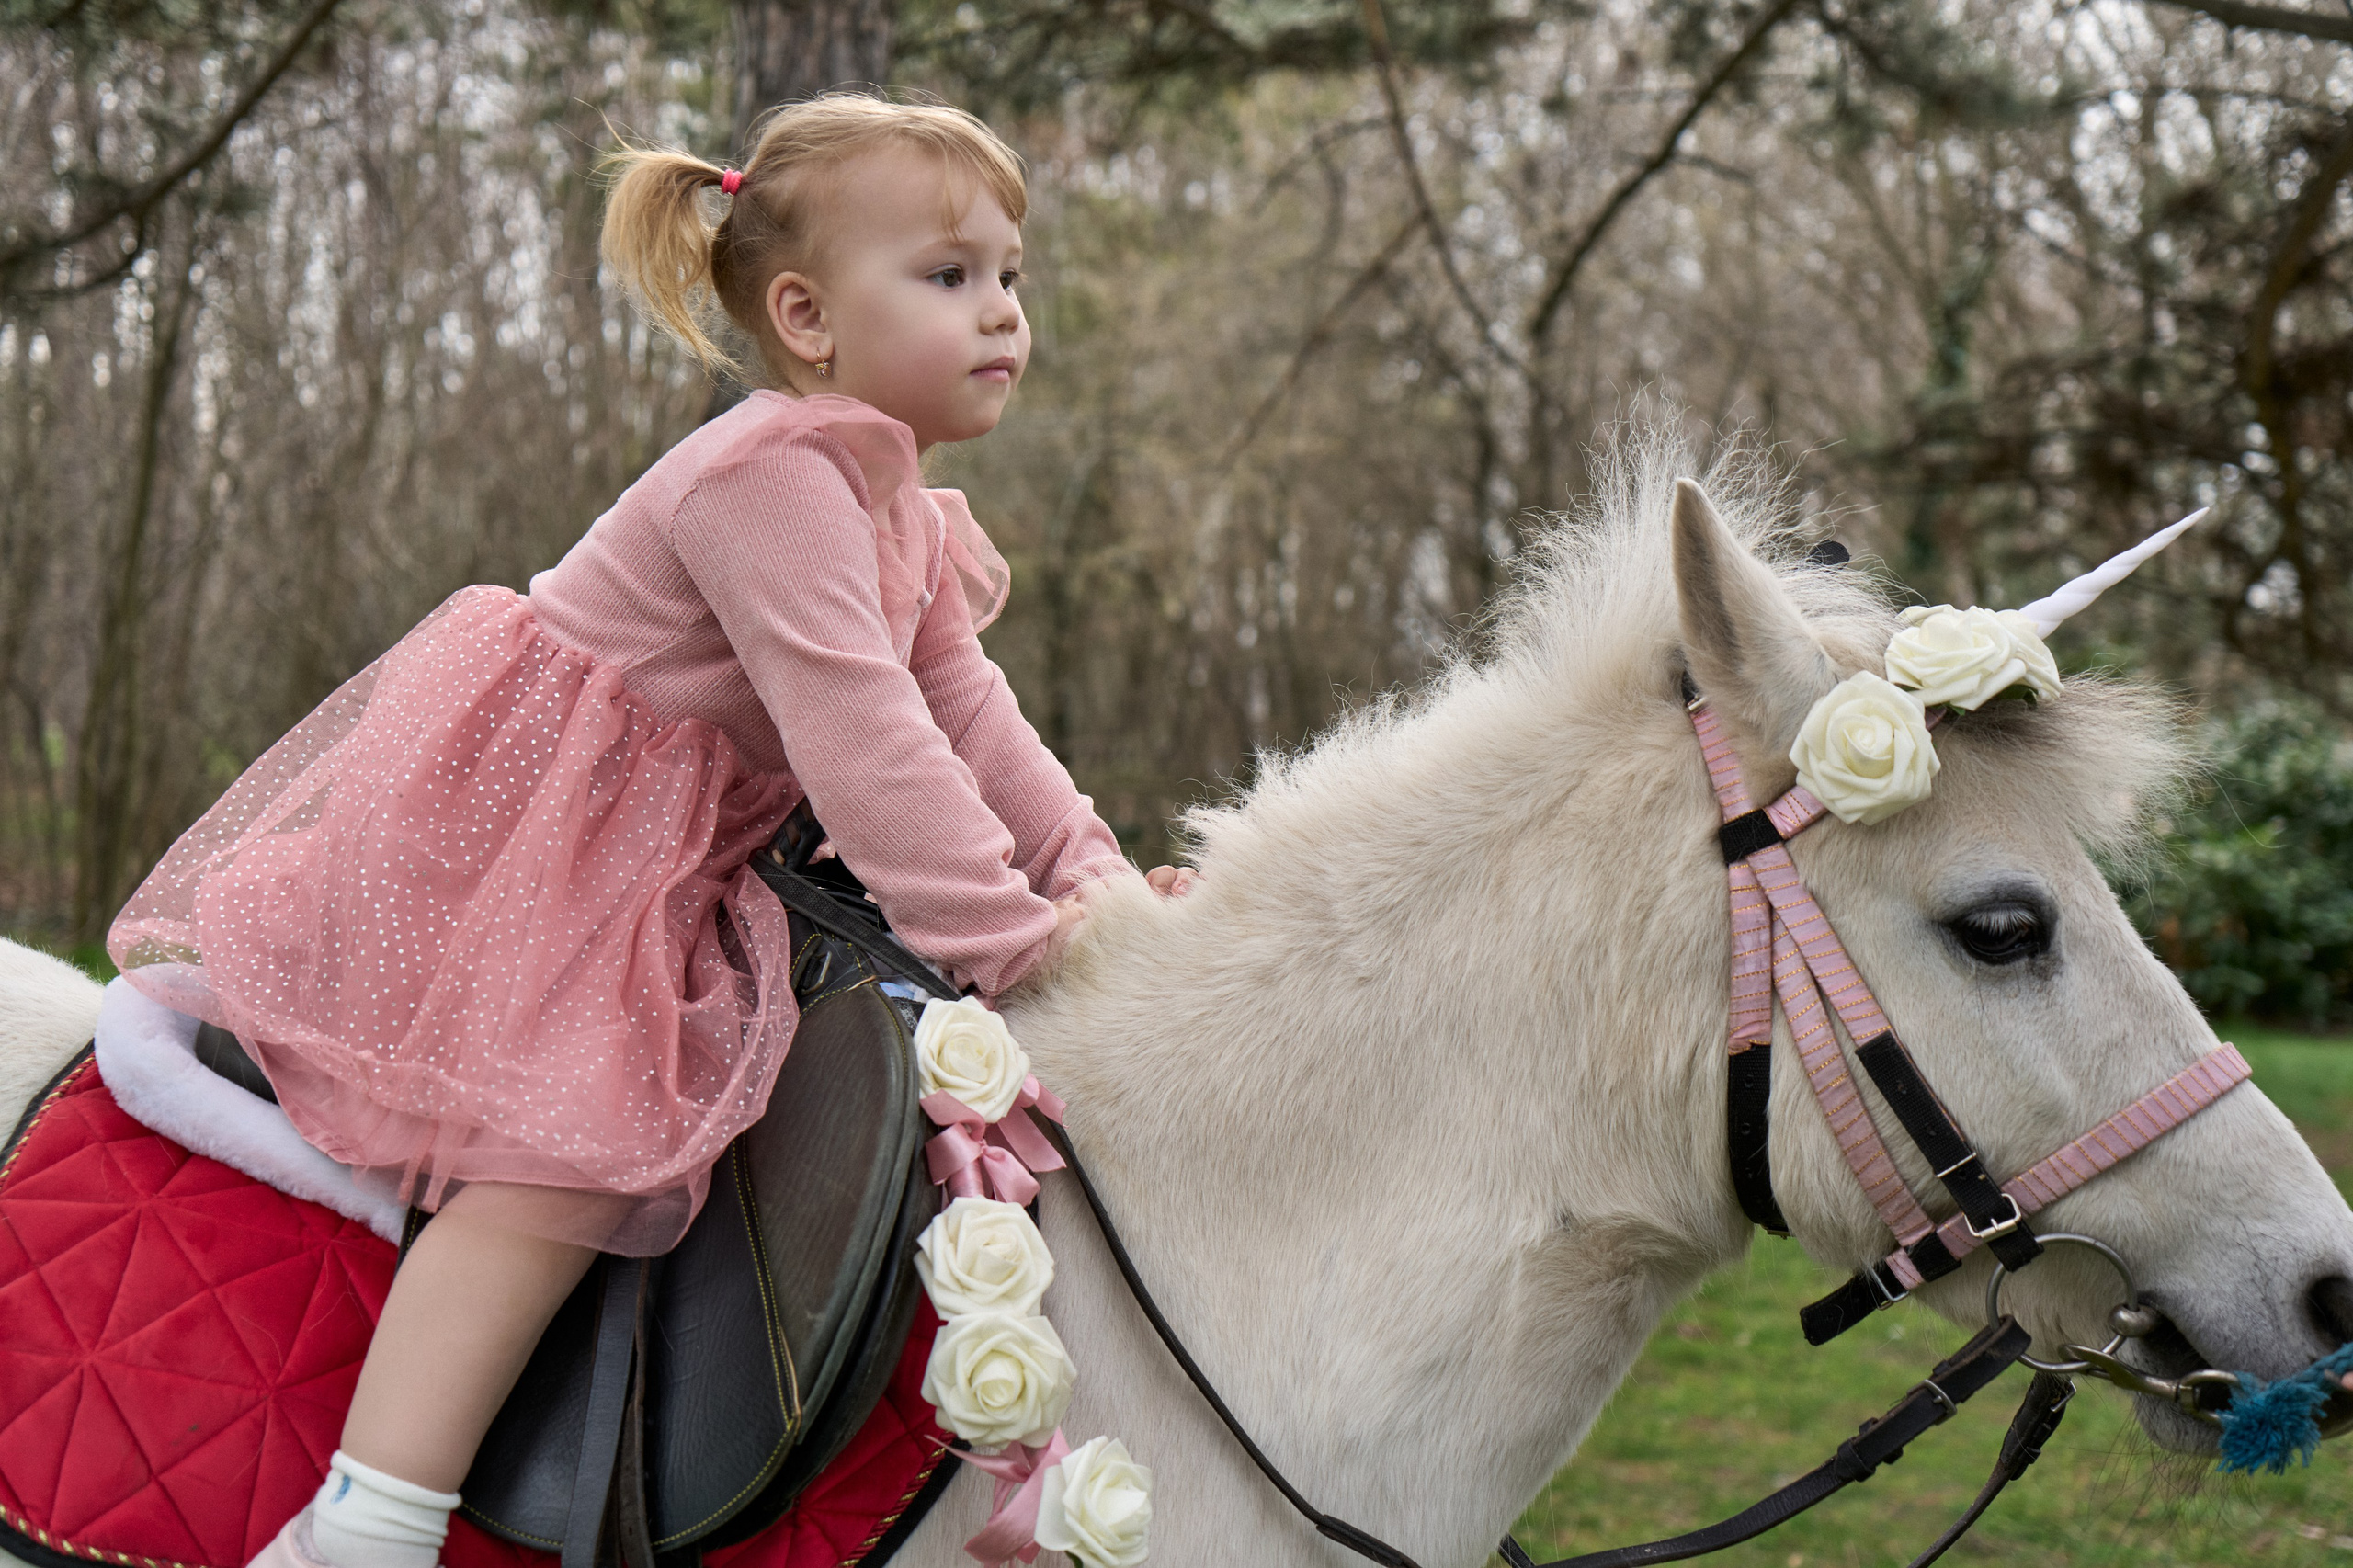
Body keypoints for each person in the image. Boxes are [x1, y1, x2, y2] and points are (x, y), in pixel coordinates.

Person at [107, 92, 1188, 1568]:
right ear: (804, 315)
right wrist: (1008, 944)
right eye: (950, 277)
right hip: (520, 849)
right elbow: (868, 747)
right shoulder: (770, 478)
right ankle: (365, 1518)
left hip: (647, 861)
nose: (1002, 311)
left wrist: (1103, 893)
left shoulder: (904, 511)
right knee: (571, 1150)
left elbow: (974, 719)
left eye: (1011, 274)